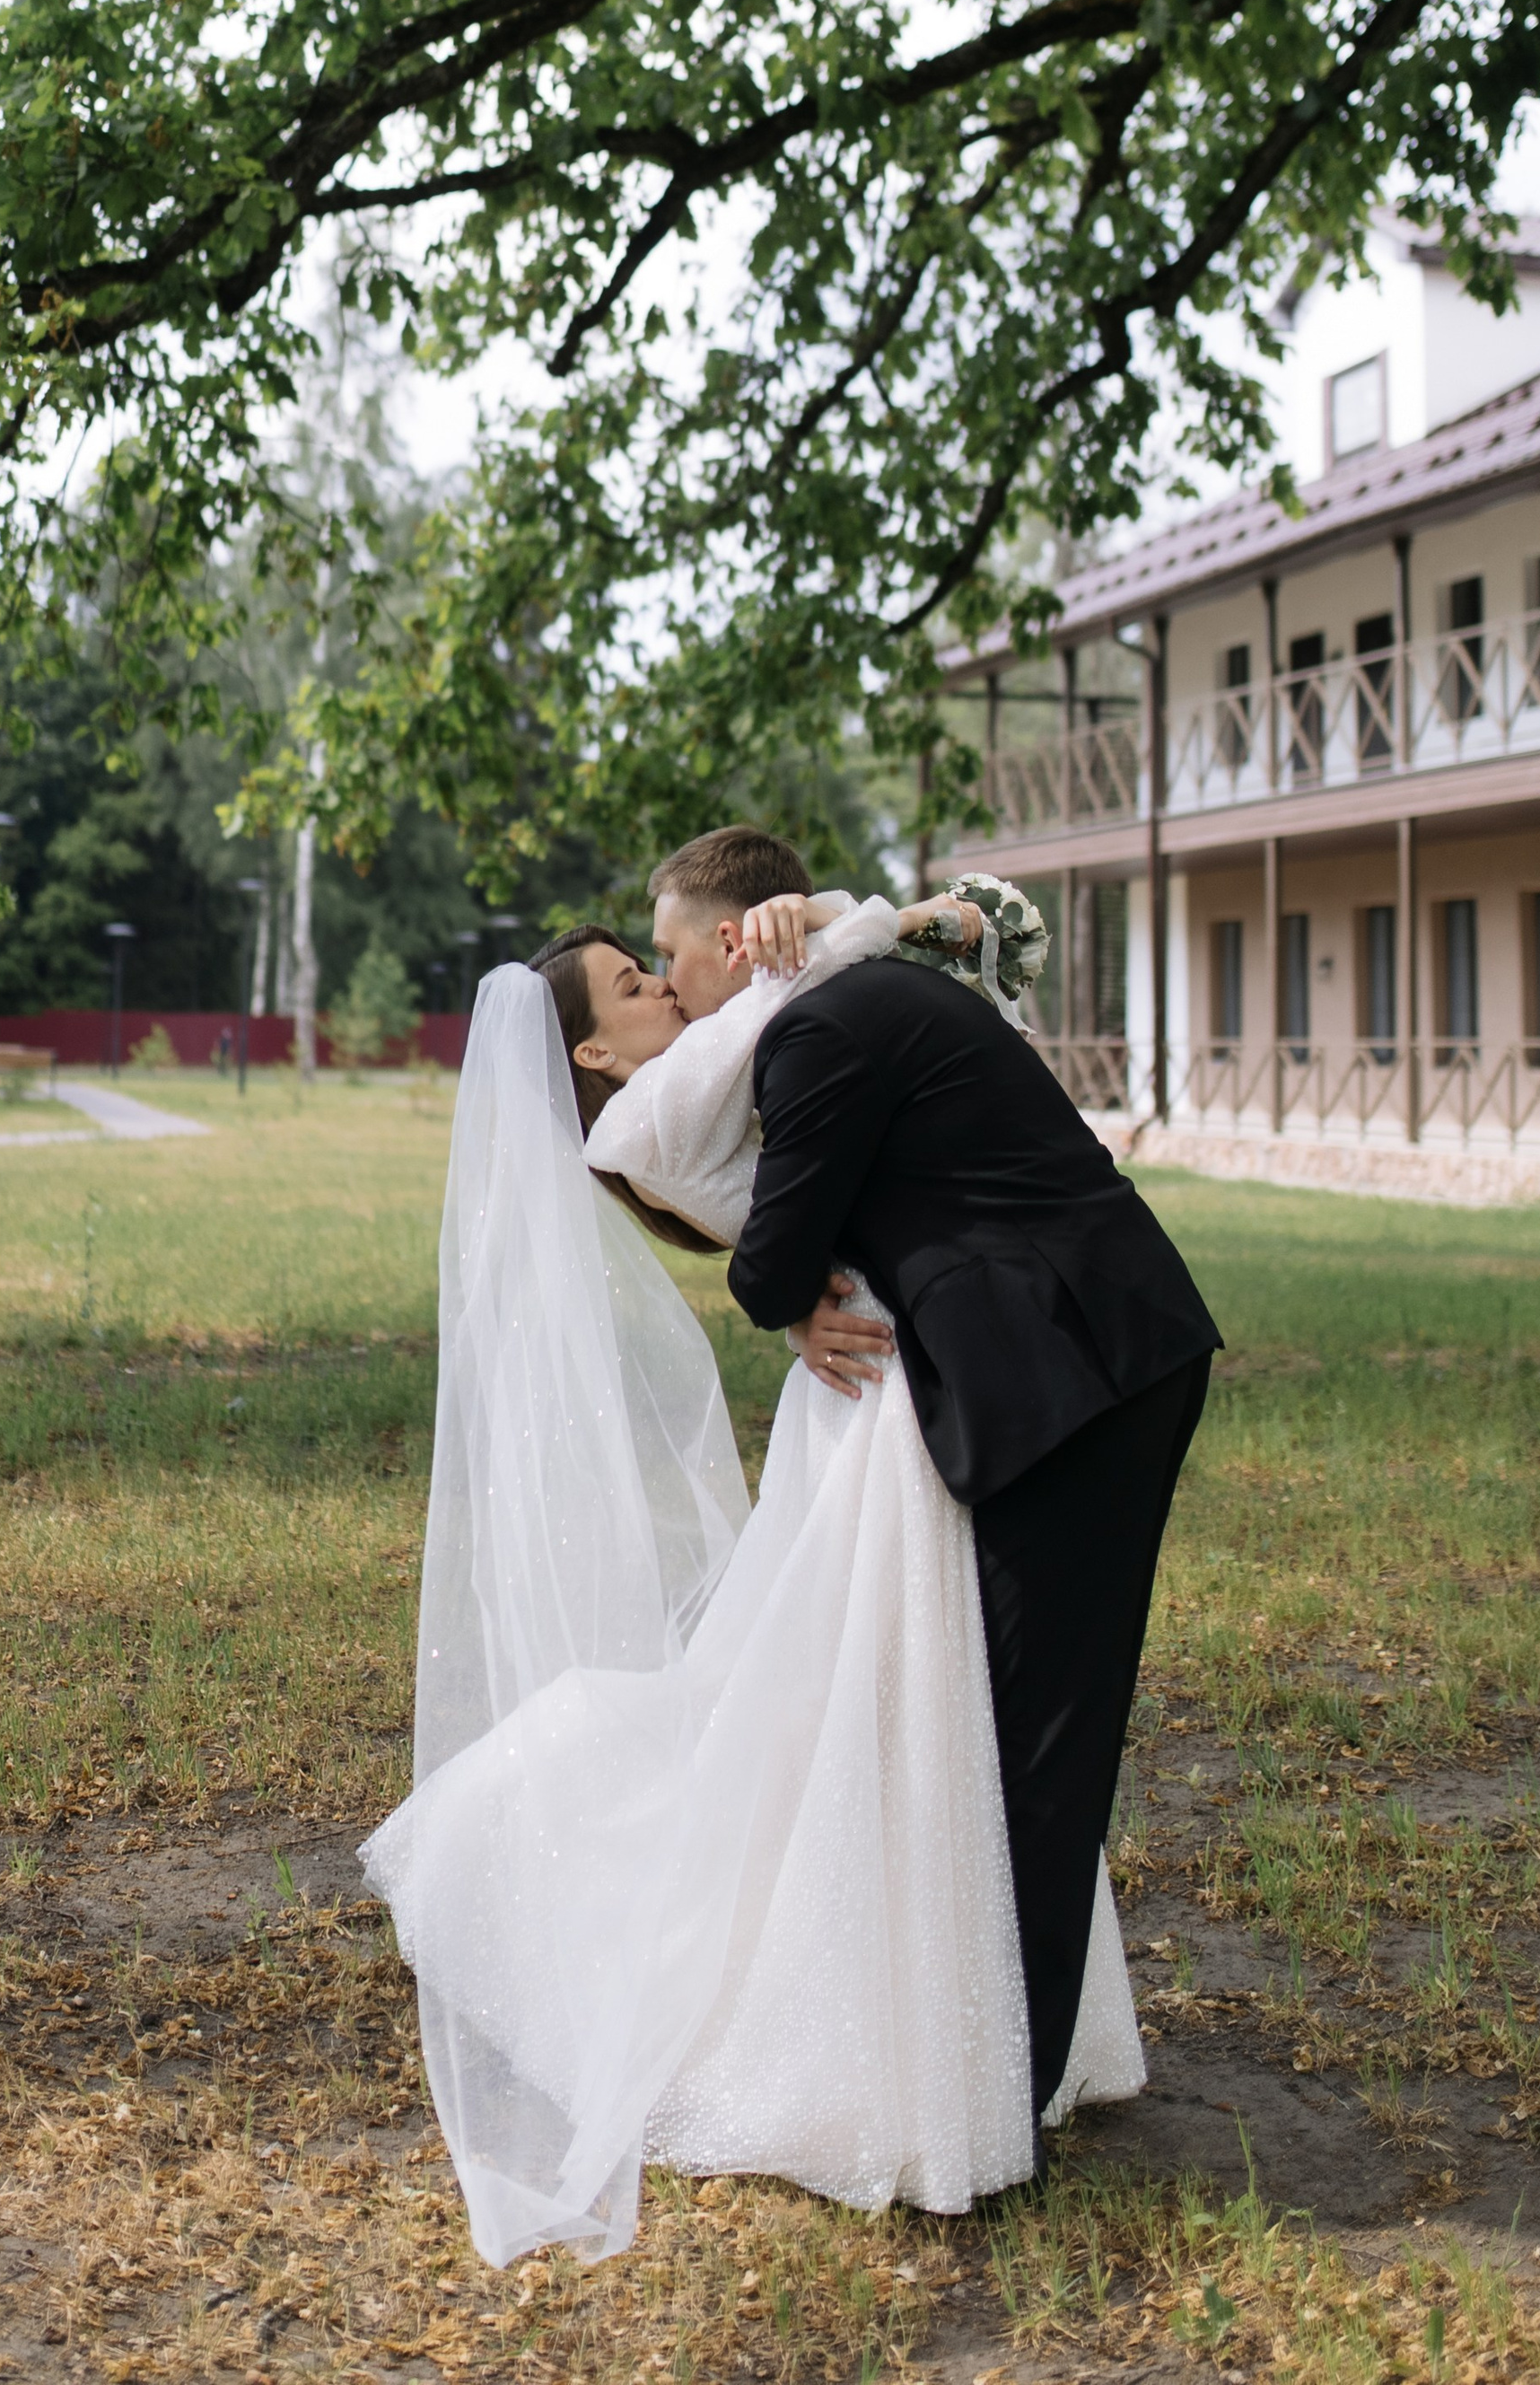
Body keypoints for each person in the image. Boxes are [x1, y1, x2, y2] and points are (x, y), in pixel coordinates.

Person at [362, 832, 1181, 2264]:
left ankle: (982, 2049)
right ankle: (969, 2056)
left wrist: (845, 923)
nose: (672, 982)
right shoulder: (690, 1095)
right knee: (913, 1725)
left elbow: (903, 1015)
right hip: (898, 1395)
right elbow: (765, 1245)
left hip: (947, 1388)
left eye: (661, 953)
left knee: (942, 1728)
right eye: (636, 980)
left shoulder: (783, 1019)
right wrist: (786, 1290)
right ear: (598, 1053)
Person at [693, 827, 1222, 2136]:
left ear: (730, 941)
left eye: (667, 954)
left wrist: (789, 1284)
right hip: (1090, 1356)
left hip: (1078, 1380)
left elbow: (768, 1270)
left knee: (1043, 1739)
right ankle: (996, 2059)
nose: (669, 984)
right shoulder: (872, 997)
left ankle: (1006, 2092)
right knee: (1019, 1725)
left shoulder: (814, 1033)